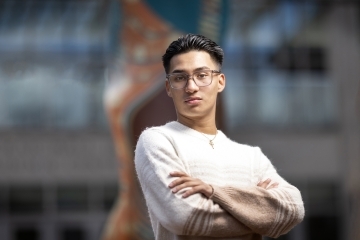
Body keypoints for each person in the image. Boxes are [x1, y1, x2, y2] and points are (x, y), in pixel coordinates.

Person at [134, 34, 304, 240]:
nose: (191, 87)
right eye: (180, 78)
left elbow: (292, 209)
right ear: (169, 87)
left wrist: (213, 191)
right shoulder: (158, 141)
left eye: (202, 75)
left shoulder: (251, 157)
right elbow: (184, 215)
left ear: (220, 81)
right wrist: (258, 215)